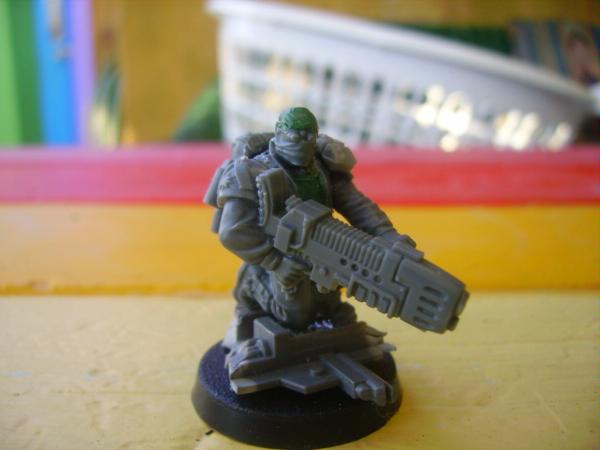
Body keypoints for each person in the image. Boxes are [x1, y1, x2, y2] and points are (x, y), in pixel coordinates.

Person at [209, 107, 414, 335]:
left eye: (309, 136)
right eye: (295, 135)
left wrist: (387, 236)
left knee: (331, 295)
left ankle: (324, 307)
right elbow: (233, 231)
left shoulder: (321, 165)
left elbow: (355, 204)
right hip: (278, 252)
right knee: (295, 318)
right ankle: (251, 281)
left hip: (323, 245)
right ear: (279, 132)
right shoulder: (250, 172)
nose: (303, 142)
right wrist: (274, 262)